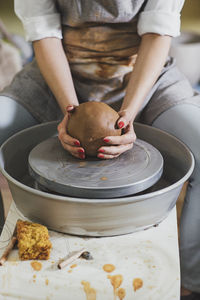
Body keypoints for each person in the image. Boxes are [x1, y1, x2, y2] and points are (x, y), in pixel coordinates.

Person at [0, 1, 200, 298]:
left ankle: (191, 282)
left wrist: (128, 113)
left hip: (142, 71)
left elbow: (158, 33)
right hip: (58, 72)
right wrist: (73, 113)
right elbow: (45, 33)